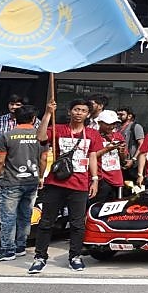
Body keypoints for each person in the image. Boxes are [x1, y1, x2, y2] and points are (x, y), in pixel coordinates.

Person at [31, 98, 103, 274]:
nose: (79, 113)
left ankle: (75, 257)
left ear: (88, 114)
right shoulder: (59, 129)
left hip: (79, 184)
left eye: (83, 110)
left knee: (77, 223)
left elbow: (93, 156)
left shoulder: (92, 133)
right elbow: (40, 137)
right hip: (56, 182)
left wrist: (94, 179)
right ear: (70, 111)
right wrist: (48, 113)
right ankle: (40, 257)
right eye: (76, 109)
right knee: (47, 222)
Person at [0, 104, 43, 263]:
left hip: (11, 182)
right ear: (34, 119)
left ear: (15, 119)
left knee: (8, 217)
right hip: (32, 180)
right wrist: (41, 177)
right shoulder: (41, 135)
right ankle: (20, 247)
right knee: (25, 215)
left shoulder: (7, 136)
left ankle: (7, 250)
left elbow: (0, 161)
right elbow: (43, 159)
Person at [91, 110, 127, 203]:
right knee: (97, 205)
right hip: (100, 177)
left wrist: (122, 151)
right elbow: (91, 157)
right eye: (108, 124)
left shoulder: (118, 136)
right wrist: (106, 149)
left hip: (116, 177)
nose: (111, 126)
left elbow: (123, 159)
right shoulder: (93, 135)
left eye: (114, 123)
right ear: (99, 123)